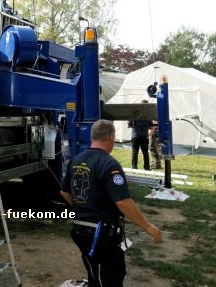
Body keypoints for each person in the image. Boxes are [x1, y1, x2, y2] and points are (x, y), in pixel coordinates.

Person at [61, 119, 162, 287]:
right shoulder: (110, 164)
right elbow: (123, 202)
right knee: (111, 276)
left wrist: (82, 208)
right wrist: (148, 227)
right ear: (111, 137)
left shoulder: (76, 160)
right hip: (103, 233)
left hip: (80, 229)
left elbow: (64, 192)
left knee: (94, 273)